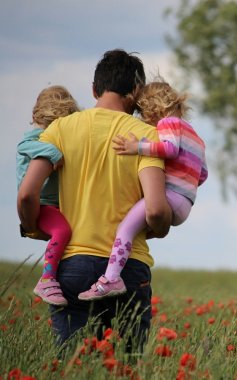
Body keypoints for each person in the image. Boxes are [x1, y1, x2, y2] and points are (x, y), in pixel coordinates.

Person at [17, 49, 172, 353]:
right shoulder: (146, 137)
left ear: (93, 89)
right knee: (125, 368)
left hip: (72, 266)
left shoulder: (59, 129)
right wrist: (162, 226)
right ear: (136, 92)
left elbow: (26, 194)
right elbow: (155, 210)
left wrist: (33, 226)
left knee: (73, 366)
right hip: (128, 269)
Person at [78, 79, 208, 301]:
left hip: (170, 197)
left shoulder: (168, 123)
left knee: (125, 229)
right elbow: (202, 174)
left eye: (143, 113)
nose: (144, 119)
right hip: (185, 203)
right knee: (136, 229)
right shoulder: (196, 136)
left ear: (153, 108)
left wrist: (136, 147)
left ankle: (110, 279)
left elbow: (169, 149)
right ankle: (118, 268)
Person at [16, 85, 79, 306]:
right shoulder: (35, 138)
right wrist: (53, 153)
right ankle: (47, 278)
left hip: (53, 204)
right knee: (62, 230)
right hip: (41, 204)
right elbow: (24, 146)